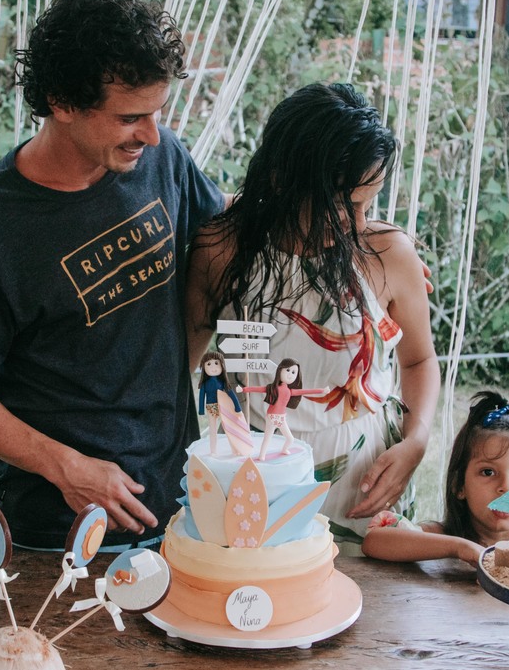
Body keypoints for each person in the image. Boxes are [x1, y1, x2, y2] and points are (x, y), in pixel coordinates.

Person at [0, 0, 225, 550]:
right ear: (61, 102)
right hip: (53, 529)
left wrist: (353, 235)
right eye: (130, 117)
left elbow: (224, 234)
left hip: (179, 504)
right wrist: (66, 467)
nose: (152, 135)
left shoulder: (163, 161)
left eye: (157, 113)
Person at [185, 83, 439, 540]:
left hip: (364, 488)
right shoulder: (222, 251)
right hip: (254, 481)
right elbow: (183, 366)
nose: (357, 224)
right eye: (343, 205)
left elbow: (419, 360)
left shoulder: (387, 254)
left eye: (368, 204)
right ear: (283, 180)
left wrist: (416, 441)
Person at [362, 391, 509, 566]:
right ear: (459, 485)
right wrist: (458, 548)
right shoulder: (441, 537)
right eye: (488, 472)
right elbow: (374, 541)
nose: (507, 486)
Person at [236, 358, 328, 460]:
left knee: (290, 439)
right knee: (268, 437)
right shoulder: (273, 388)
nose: (290, 374)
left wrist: (322, 391)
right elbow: (258, 389)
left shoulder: (290, 391)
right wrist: (243, 389)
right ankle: (262, 455)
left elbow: (306, 391)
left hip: (281, 418)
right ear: (280, 370)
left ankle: (284, 449)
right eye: (288, 370)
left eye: (293, 372)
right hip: (272, 416)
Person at [196, 350, 241, 456]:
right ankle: (213, 451)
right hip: (210, 407)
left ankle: (234, 449)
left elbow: (231, 394)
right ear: (203, 367)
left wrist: (237, 407)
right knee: (213, 430)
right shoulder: (205, 384)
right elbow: (201, 397)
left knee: (228, 429)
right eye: (208, 364)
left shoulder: (222, 382)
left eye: (216, 363)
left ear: (222, 366)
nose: (213, 367)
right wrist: (201, 410)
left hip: (222, 407)